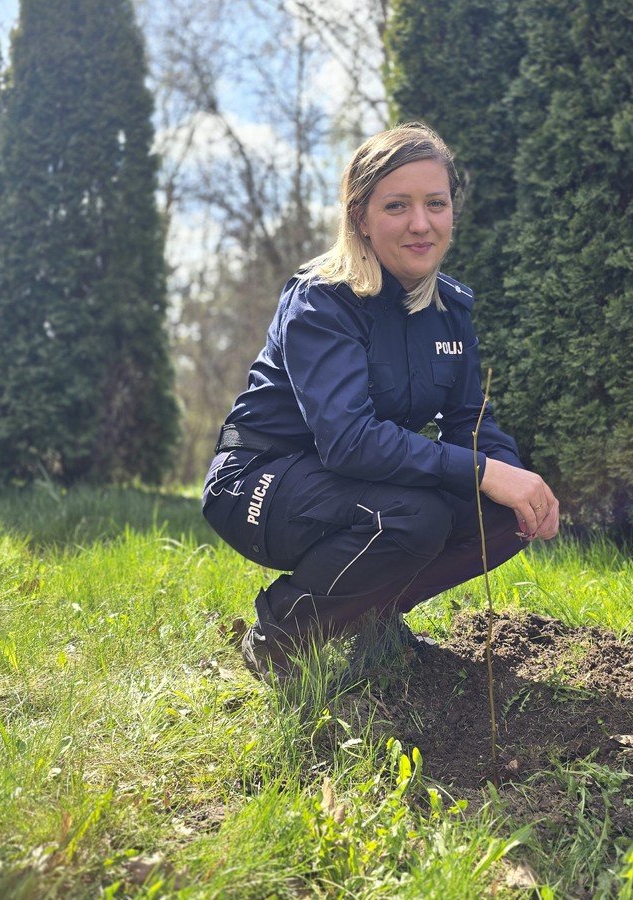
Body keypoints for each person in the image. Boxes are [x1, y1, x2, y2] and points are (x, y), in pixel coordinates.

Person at [201, 123, 560, 683]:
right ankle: (281, 638)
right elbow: (348, 440)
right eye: (398, 206)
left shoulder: (449, 310)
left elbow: (470, 422)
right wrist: (483, 471)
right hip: (257, 483)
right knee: (414, 516)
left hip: (350, 482)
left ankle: (367, 620)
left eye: (435, 204)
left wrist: (514, 478)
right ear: (360, 218)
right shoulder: (322, 301)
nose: (421, 223)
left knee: (499, 512)